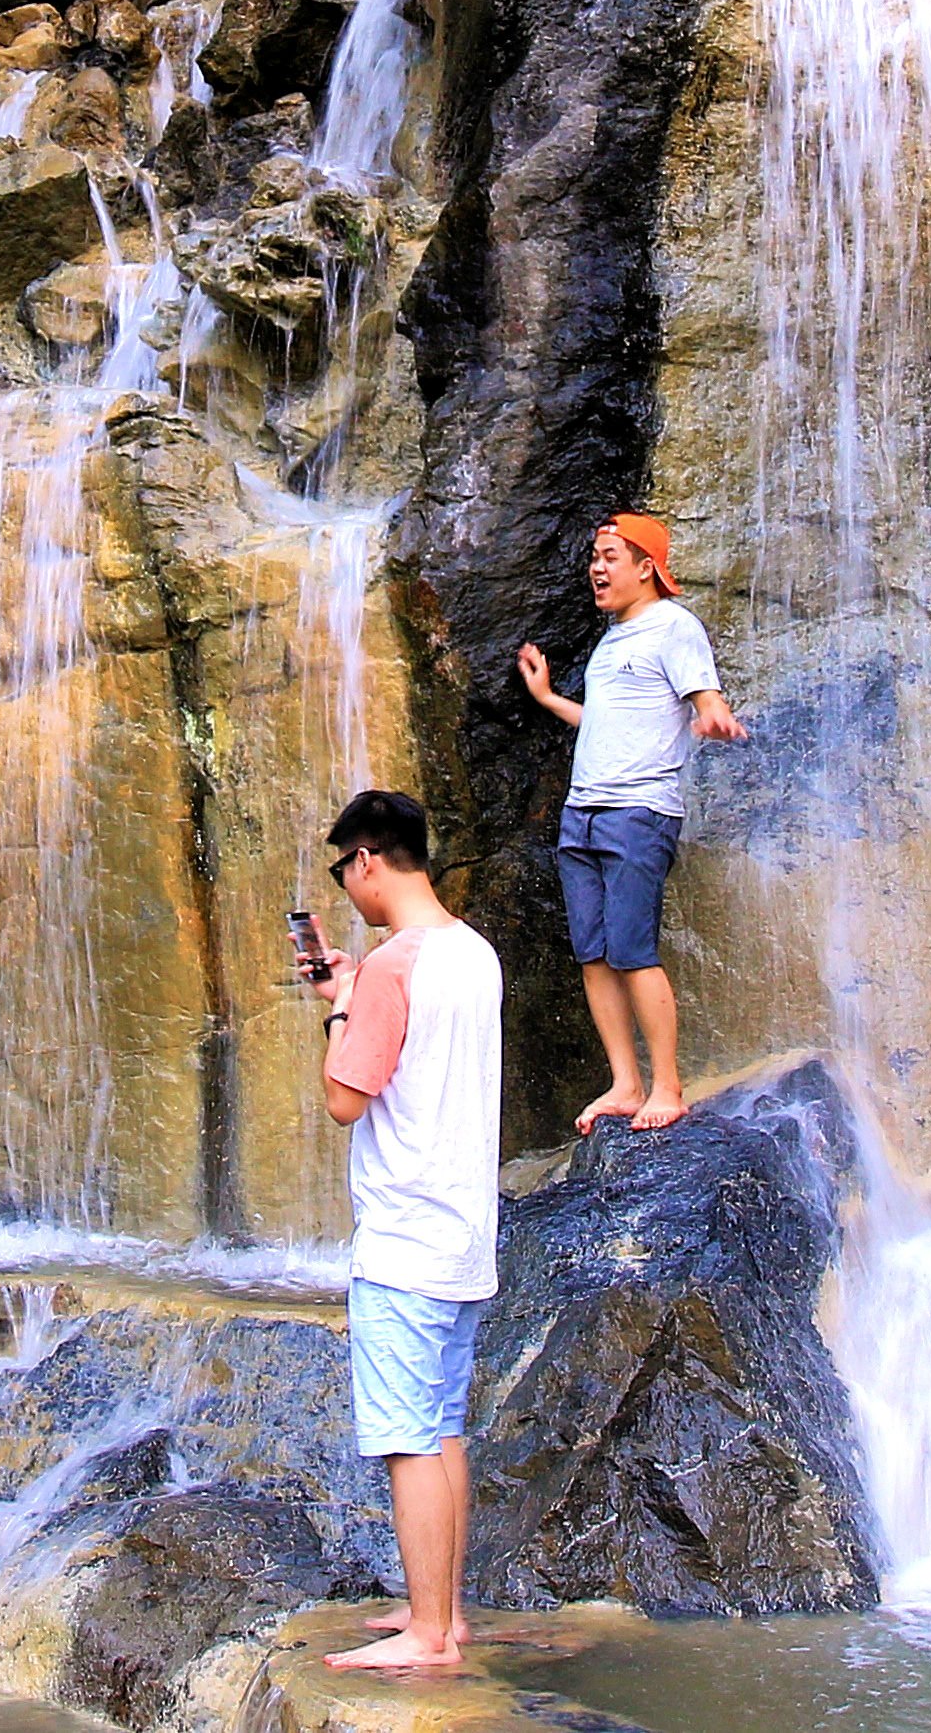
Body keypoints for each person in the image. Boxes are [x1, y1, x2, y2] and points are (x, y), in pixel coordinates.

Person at [310, 787, 500, 1675]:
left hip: (402, 1239)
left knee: (408, 1438)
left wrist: (340, 1005)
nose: (348, 888)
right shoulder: (473, 953)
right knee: (444, 1423)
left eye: (345, 869)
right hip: (464, 1237)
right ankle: (446, 1611)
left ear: (369, 861)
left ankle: (428, 1634)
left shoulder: (393, 967)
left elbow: (346, 1099)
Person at [511, 509, 745, 1131]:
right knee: (594, 954)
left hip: (638, 812)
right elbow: (608, 724)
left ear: (647, 567)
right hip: (582, 812)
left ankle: (666, 1086)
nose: (596, 567)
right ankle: (624, 1083)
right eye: (595, 556)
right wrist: (547, 699)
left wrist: (715, 714)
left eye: (610, 556)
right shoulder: (613, 640)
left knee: (633, 950)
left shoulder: (675, 626)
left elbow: (704, 694)